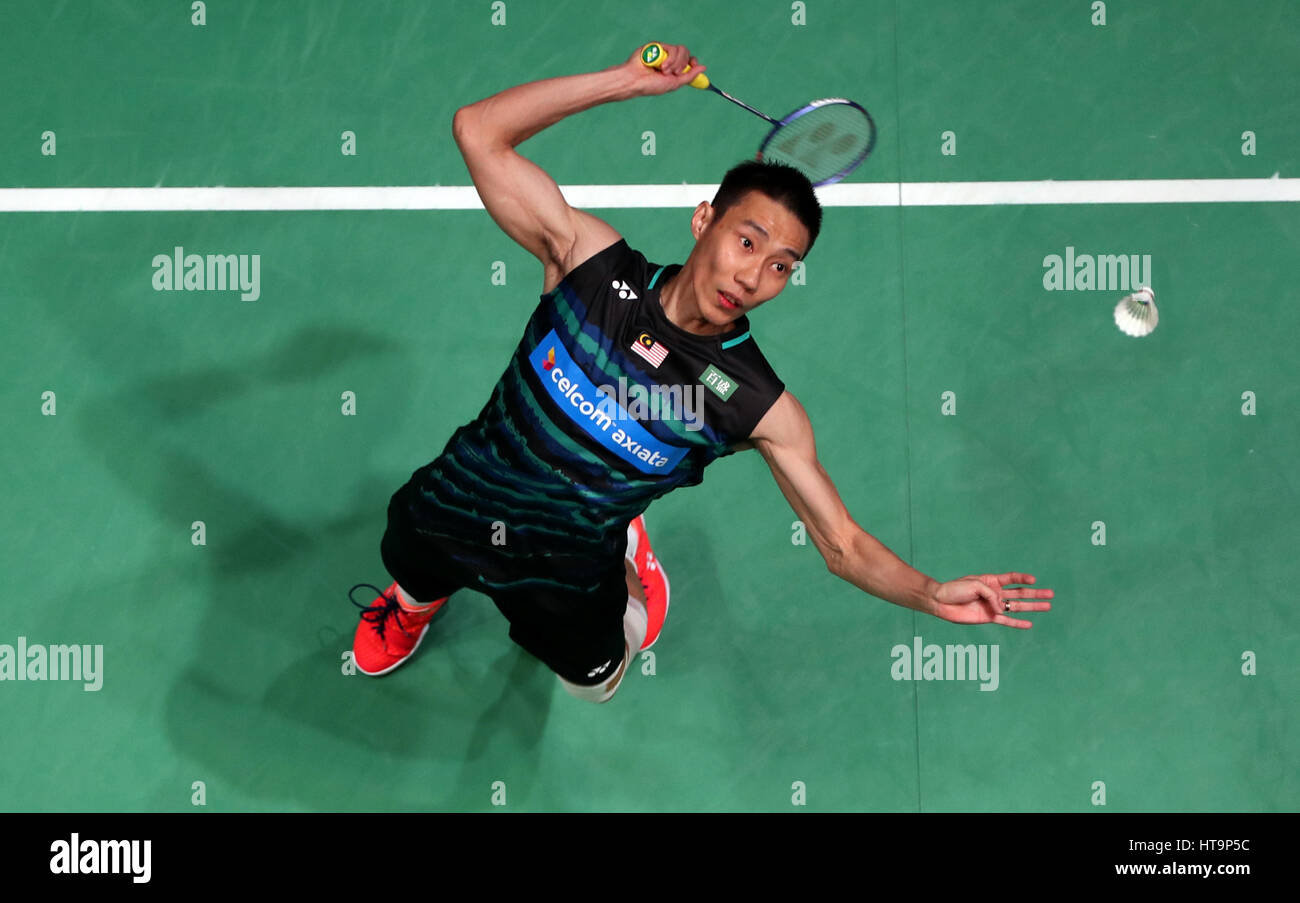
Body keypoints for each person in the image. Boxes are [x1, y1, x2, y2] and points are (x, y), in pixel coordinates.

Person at [350, 43, 1054, 703]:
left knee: (594, 680)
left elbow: (842, 544)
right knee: (411, 562)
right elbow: (479, 130)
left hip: (563, 576)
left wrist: (931, 594)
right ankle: (413, 605)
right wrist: (624, 81)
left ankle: (633, 586)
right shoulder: (588, 264)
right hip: (454, 500)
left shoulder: (756, 405)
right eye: (747, 240)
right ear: (703, 219)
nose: (753, 274)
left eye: (782, 265)